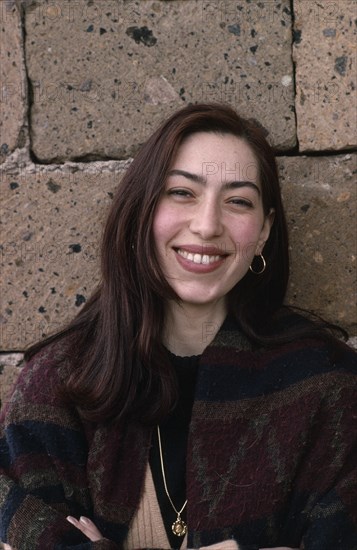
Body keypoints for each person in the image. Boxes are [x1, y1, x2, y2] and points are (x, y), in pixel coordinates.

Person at [0, 103, 356, 550]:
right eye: (182, 193)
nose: (207, 225)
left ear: (264, 231)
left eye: (238, 201)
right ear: (142, 210)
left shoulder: (330, 390)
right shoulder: (57, 385)